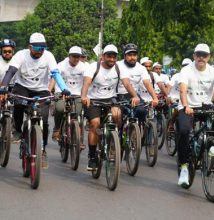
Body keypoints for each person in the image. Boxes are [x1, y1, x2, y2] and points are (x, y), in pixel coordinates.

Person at [0, 32, 70, 168]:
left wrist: (64, 88)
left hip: (41, 90)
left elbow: (55, 73)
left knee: (43, 119)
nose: (40, 51)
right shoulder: (21, 55)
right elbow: (11, 71)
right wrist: (3, 87)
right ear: (29, 47)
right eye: (37, 48)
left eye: (43, 48)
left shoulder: (48, 56)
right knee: (18, 105)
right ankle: (18, 130)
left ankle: (42, 150)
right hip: (22, 87)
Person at [176, 43, 214, 187]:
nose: (201, 58)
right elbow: (183, 90)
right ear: (194, 56)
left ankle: (210, 144)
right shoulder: (186, 70)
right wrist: (186, 106)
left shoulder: (213, 72)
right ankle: (184, 167)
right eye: (198, 55)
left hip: (205, 105)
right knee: (184, 131)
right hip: (188, 106)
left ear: (209, 57)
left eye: (204, 55)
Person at [80, 44, 140, 170]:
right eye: (109, 56)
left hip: (111, 99)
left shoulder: (118, 68)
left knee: (117, 115)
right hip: (94, 100)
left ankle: (113, 142)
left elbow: (126, 83)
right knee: (95, 124)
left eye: (114, 57)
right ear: (103, 57)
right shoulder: (93, 67)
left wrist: (134, 96)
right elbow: (86, 82)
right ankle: (92, 157)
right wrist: (84, 96)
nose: (111, 59)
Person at [49, 46, 87, 148]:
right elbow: (54, 78)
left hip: (77, 93)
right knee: (60, 108)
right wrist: (49, 91)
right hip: (61, 92)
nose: (76, 59)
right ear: (69, 56)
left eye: (78, 57)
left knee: (78, 113)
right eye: (74, 56)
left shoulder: (83, 67)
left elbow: (88, 80)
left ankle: (78, 139)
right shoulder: (61, 65)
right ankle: (57, 128)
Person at [116, 43, 158, 123]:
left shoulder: (141, 68)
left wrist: (155, 98)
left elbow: (147, 83)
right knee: (118, 116)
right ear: (124, 56)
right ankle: (119, 133)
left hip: (134, 95)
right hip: (118, 95)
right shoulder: (118, 65)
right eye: (129, 55)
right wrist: (135, 96)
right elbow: (126, 83)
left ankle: (138, 132)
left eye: (134, 55)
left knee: (142, 111)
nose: (132, 57)